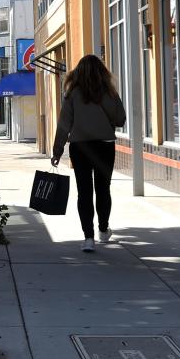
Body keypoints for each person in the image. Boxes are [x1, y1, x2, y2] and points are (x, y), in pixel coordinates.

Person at [50, 55, 126, 253]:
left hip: (80, 148)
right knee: (103, 189)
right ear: (102, 72)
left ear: (78, 72)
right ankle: (103, 229)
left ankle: (88, 238)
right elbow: (120, 119)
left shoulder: (72, 93)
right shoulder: (109, 93)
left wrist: (57, 151)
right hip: (104, 146)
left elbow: (63, 125)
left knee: (84, 192)